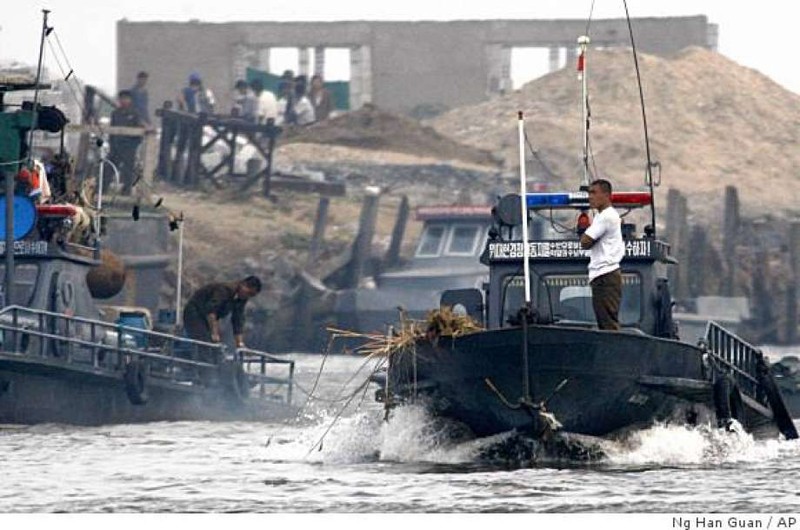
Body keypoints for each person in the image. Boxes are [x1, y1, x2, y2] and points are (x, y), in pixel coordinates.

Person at [579, 179, 625, 330]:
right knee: (604, 321)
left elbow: (585, 242)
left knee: (607, 324)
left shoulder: (606, 216)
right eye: (589, 193)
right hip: (602, 275)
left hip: (606, 275)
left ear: (606, 195)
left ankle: (613, 352)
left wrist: (585, 233)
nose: (590, 197)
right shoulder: (602, 216)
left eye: (593, 192)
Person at [182, 276, 262, 350]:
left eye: (252, 295)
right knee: (205, 342)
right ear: (243, 285)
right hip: (195, 312)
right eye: (249, 293)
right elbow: (211, 310)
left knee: (215, 345)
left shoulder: (241, 299)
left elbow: (238, 319)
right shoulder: (224, 290)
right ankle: (199, 362)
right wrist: (214, 333)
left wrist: (239, 343)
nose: (248, 296)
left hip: (208, 318)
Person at [108, 90, 142, 195]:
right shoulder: (115, 113)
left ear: (130, 100)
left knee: (128, 171)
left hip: (129, 148)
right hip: (116, 147)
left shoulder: (135, 114)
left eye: (126, 98)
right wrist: (112, 144)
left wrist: (133, 146)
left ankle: (126, 192)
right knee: (109, 168)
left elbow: (138, 132)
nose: (124, 101)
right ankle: (103, 189)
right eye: (122, 98)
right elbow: (111, 131)